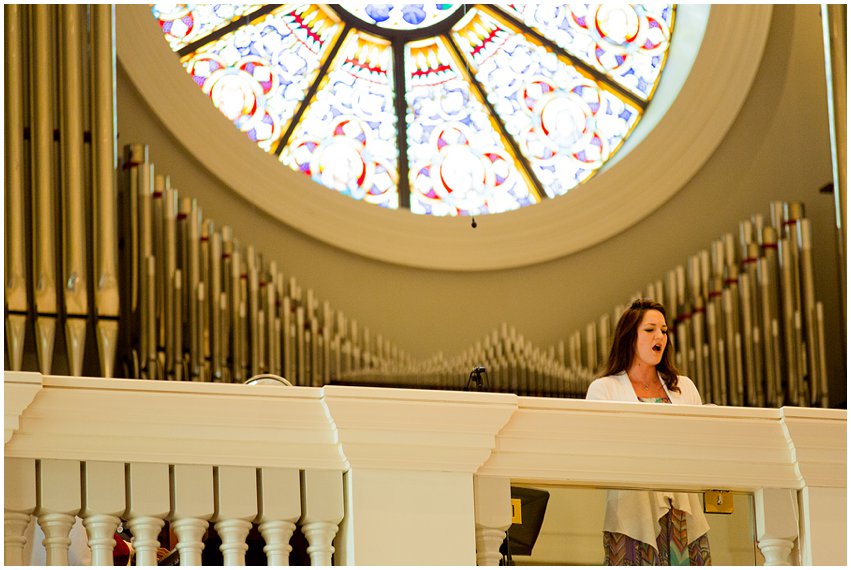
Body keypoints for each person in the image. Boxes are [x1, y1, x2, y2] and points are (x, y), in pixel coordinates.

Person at [586, 299, 711, 566]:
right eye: (650, 329)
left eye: (664, 330)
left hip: (682, 512)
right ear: (630, 337)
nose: (660, 337)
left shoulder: (683, 387)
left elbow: (701, 444)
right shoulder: (604, 389)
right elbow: (599, 452)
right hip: (632, 515)